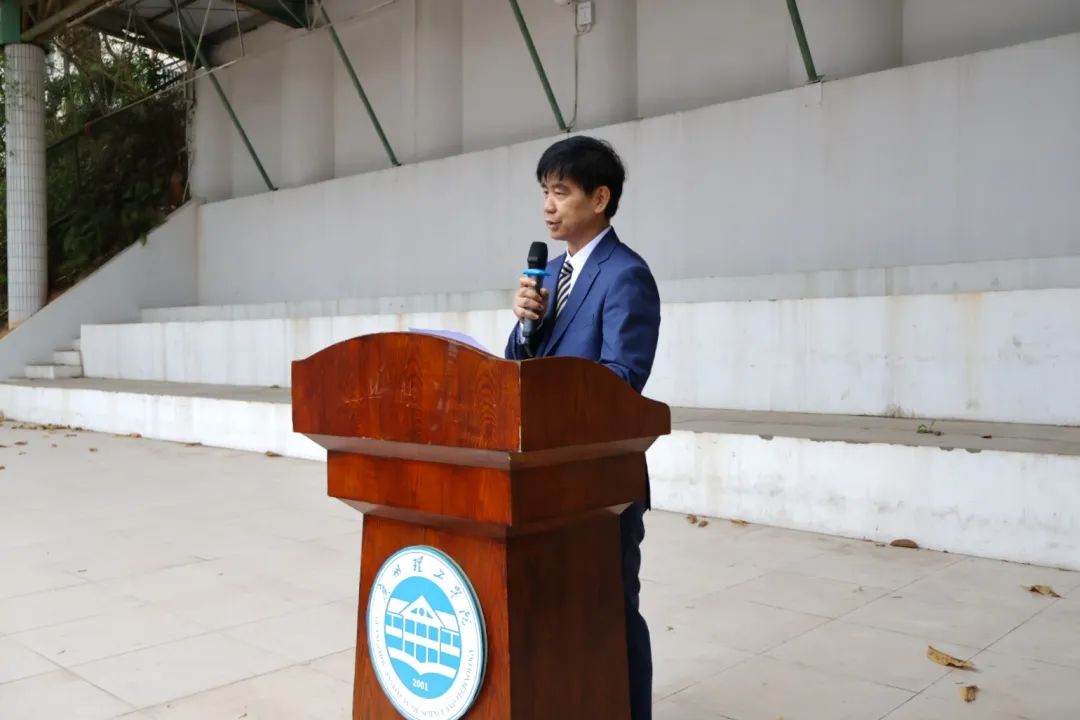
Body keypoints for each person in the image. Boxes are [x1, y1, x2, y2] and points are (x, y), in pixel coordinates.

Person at [504, 135, 661, 720]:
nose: (548, 206)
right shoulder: (551, 275)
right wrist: (524, 327)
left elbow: (622, 380)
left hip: (601, 484)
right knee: (562, 613)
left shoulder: (626, 275)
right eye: (545, 191)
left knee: (612, 611)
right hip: (549, 479)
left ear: (600, 198)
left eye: (561, 191)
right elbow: (519, 370)